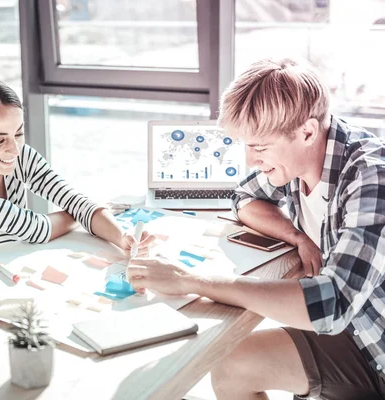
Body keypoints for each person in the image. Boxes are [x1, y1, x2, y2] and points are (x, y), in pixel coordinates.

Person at [127, 58, 385, 399]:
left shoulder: (372, 179)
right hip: (350, 330)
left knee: (231, 362)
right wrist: (297, 236)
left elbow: (332, 304)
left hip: (374, 348)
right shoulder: (302, 158)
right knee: (230, 363)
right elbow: (244, 196)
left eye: (260, 147)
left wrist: (190, 281)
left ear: (307, 131)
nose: (250, 160)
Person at [0, 78, 153, 266]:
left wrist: (123, 239)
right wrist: (79, 212)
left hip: (6, 273)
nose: (14, 148)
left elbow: (73, 199)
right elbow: (34, 228)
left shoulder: (19, 156)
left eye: (18, 133)